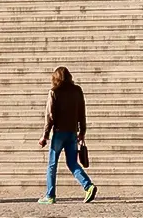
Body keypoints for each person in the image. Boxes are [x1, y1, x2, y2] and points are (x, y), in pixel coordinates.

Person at [37, 67, 97, 204]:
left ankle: (50, 195)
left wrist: (44, 136)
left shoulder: (54, 92)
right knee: (72, 163)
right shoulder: (77, 91)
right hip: (72, 133)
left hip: (58, 133)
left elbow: (49, 116)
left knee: (52, 165)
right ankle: (88, 186)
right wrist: (82, 132)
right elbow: (82, 112)